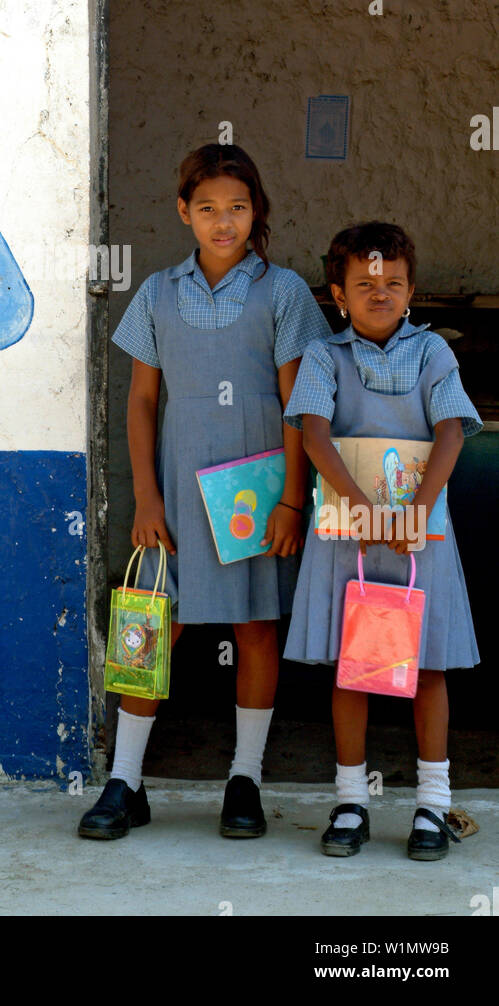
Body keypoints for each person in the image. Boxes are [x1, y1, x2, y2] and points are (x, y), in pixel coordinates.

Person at [78, 143, 330, 840]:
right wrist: (147, 499)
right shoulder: (156, 292)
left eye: (238, 208)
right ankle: (124, 782)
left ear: (257, 214)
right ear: (184, 212)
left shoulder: (280, 293)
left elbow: (297, 402)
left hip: (255, 488)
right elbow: (140, 403)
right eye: (209, 209)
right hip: (177, 489)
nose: (224, 223)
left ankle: (243, 778)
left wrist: (289, 499)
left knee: (254, 627)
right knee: (151, 626)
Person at [283, 222, 481, 860]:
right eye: (364, 284)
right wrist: (364, 508)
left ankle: (432, 804)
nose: (380, 293)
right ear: (338, 294)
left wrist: (416, 512)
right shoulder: (324, 356)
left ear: (411, 290)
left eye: (393, 283)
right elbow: (314, 432)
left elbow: (450, 430)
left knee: (427, 666)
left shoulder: (433, 354)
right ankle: (350, 799)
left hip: (422, 537)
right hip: (351, 535)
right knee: (356, 667)